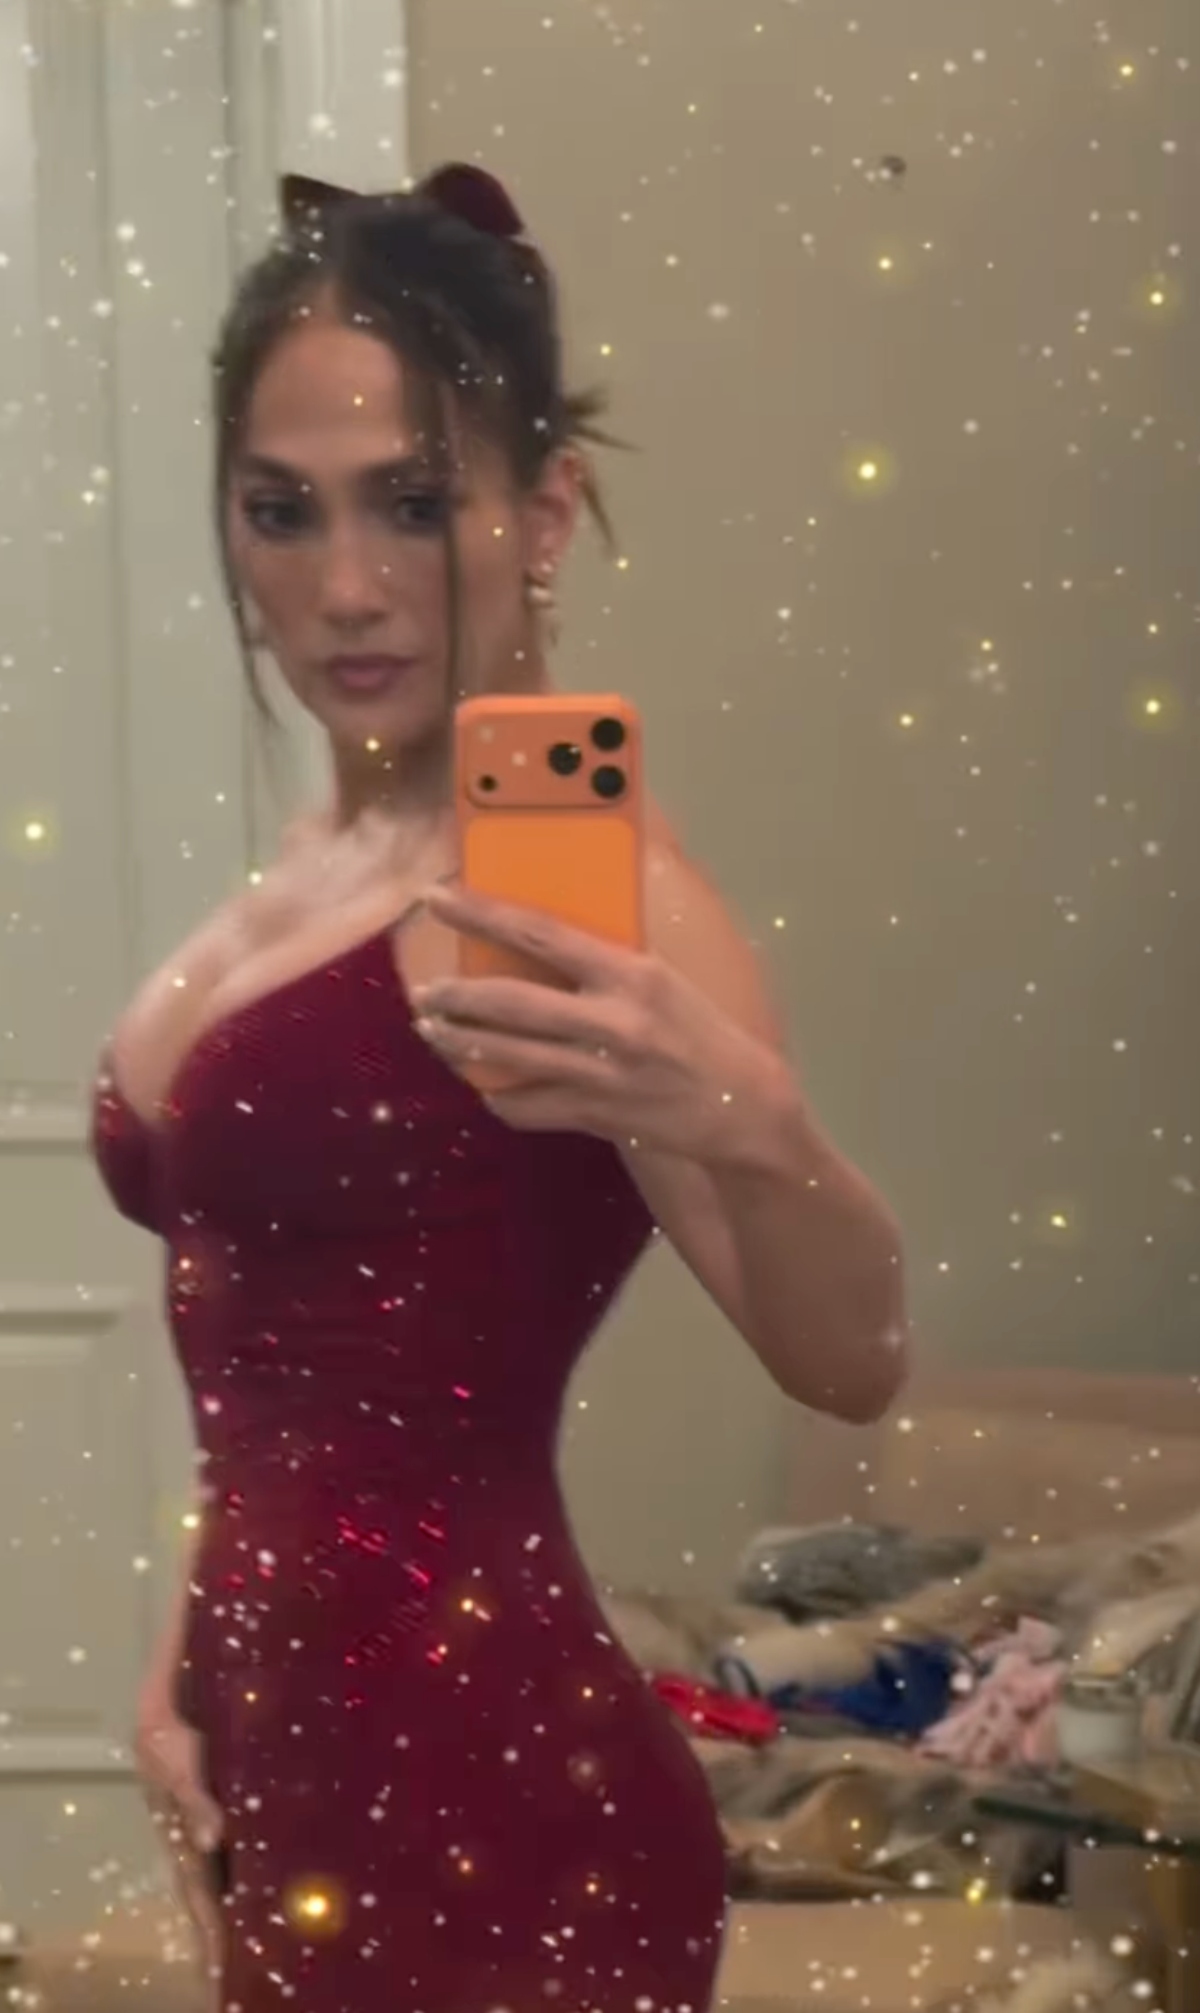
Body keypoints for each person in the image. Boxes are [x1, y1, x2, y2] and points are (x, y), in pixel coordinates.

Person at [92, 163, 908, 2013]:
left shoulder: (580, 893)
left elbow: (855, 1360)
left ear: (543, 511)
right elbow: (292, 1383)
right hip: (286, 1781)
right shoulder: (311, 867)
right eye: (280, 511)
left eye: (413, 502)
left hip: (501, 1807)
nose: (345, 587)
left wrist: (758, 1126)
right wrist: (183, 1660)